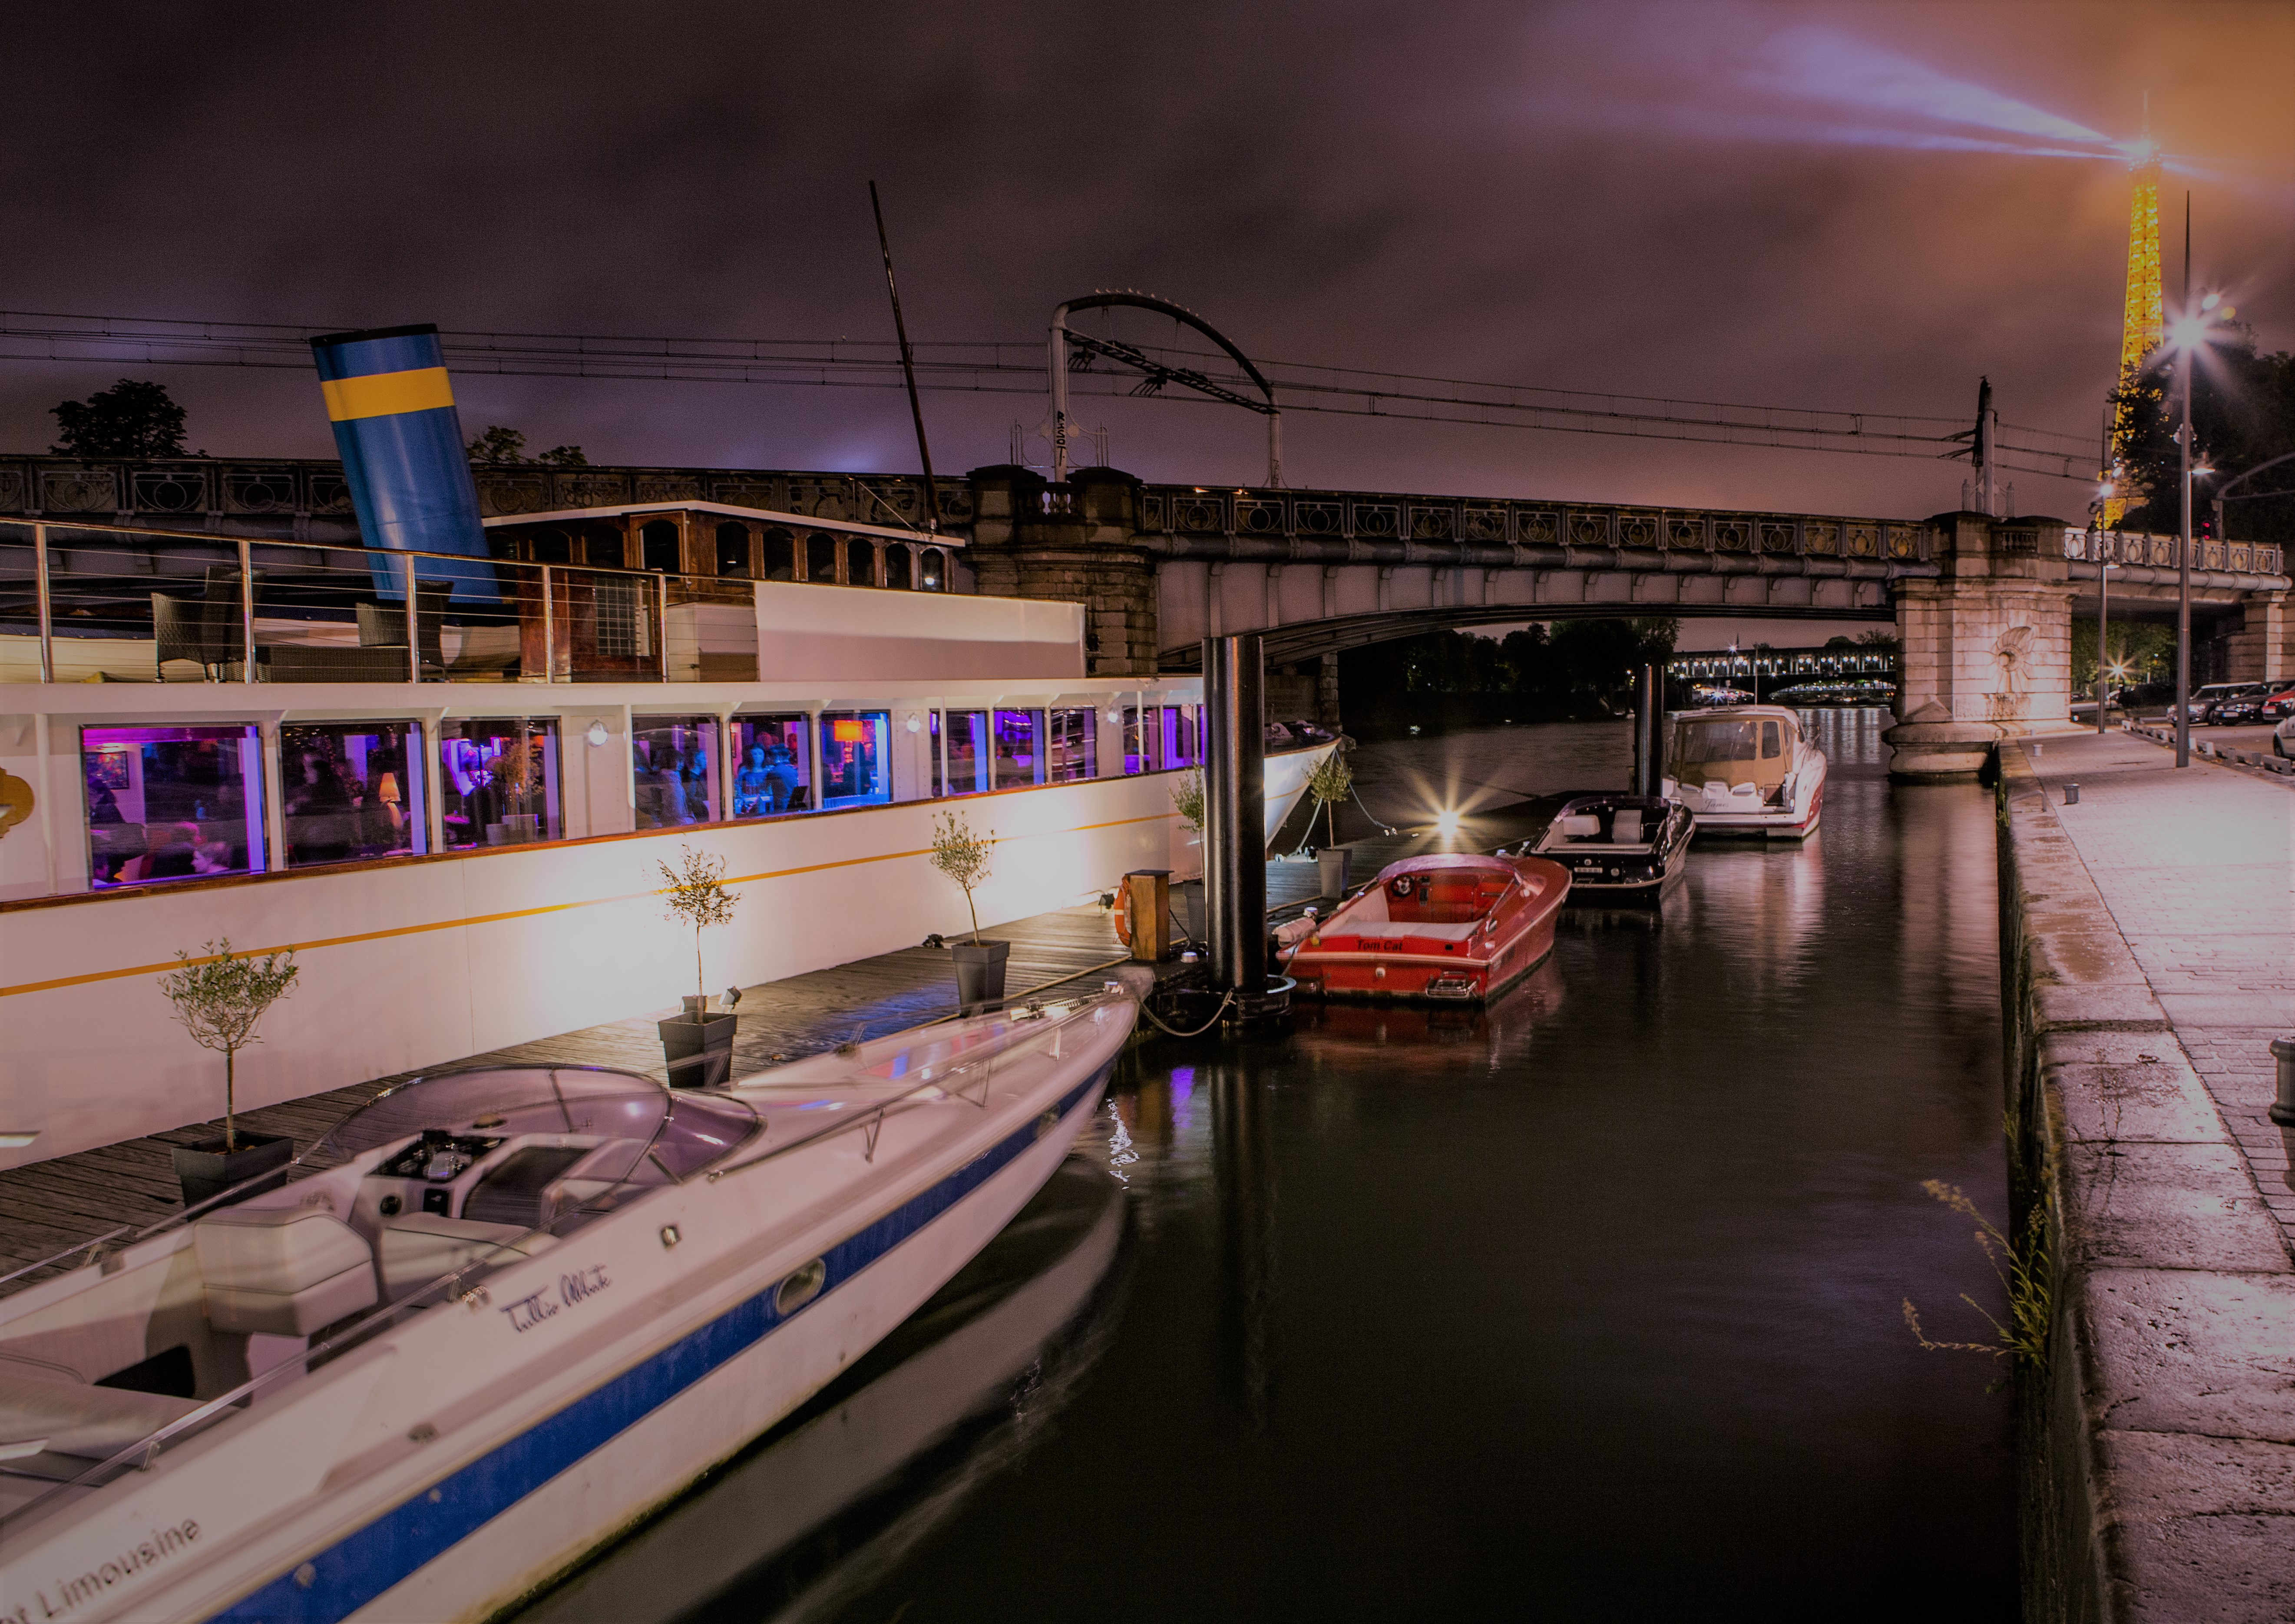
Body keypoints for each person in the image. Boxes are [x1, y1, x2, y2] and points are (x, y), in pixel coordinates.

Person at [734, 743, 773, 817]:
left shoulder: (769, 770)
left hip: (766, 802)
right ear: (751, 756)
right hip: (749, 803)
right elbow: (738, 787)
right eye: (755, 754)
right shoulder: (744, 770)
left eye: (760, 754)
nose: (758, 757)